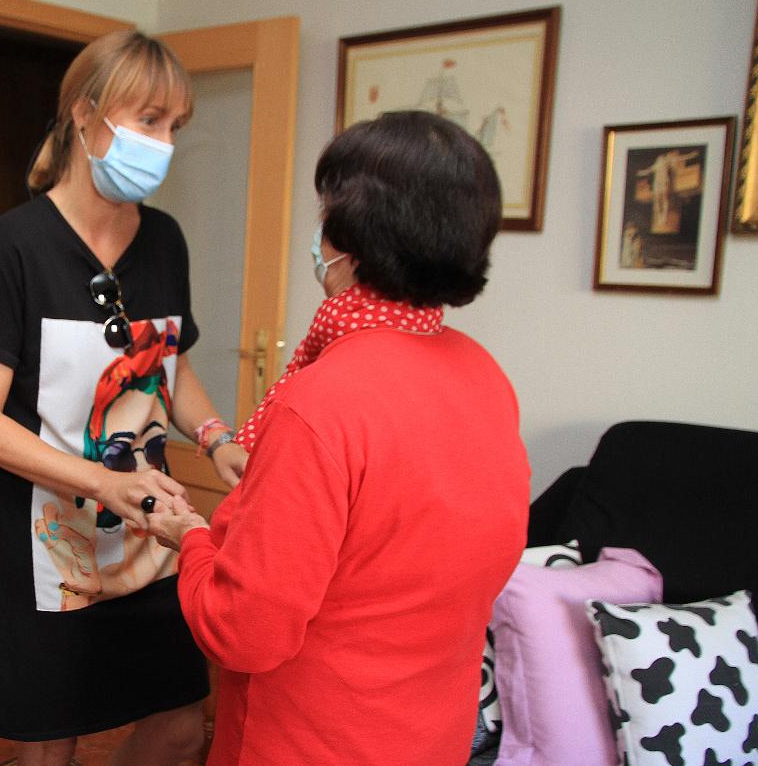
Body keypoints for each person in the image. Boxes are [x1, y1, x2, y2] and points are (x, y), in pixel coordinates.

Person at [149, 110, 531, 764]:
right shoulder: (483, 374)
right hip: (430, 735)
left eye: (326, 212)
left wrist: (190, 537)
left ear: (351, 238)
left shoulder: (322, 402)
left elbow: (244, 631)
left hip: (312, 740)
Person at [0, 30, 248, 766]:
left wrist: (217, 438)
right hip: (51, 545)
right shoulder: (12, 248)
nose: (165, 143)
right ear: (85, 117)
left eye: (175, 126)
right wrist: (102, 483)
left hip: (153, 538)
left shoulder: (165, 242)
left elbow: (167, 367)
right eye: (148, 120)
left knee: (180, 725)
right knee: (52, 744)